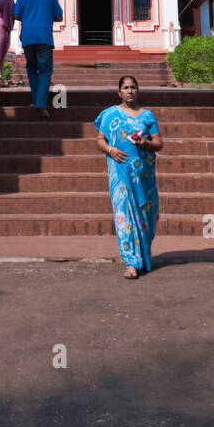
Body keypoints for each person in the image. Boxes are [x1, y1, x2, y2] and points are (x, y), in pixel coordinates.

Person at [94, 76, 163, 280]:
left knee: (145, 218)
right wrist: (110, 150)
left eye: (133, 87)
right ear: (119, 92)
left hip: (144, 178)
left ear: (138, 91)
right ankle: (131, 262)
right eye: (125, 88)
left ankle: (144, 257)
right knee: (124, 216)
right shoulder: (108, 115)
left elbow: (159, 143)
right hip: (120, 176)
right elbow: (100, 139)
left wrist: (146, 143)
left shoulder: (148, 116)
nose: (130, 91)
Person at [13, 0, 63, 117]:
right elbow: (59, 17)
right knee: (45, 70)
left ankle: (37, 101)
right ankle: (40, 104)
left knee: (31, 68)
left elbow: (16, 15)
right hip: (44, 37)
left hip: (28, 37)